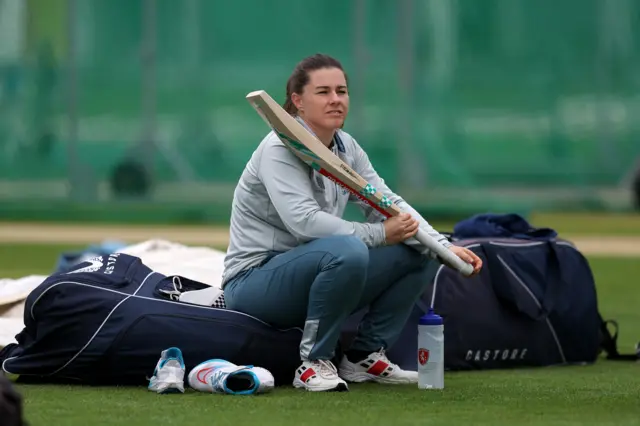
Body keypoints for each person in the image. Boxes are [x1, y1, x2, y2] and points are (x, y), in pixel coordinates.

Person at [222, 53, 482, 392]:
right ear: (298, 101)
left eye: (341, 91)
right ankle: (313, 363)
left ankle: (363, 357)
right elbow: (304, 223)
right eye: (324, 92)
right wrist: (377, 234)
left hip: (315, 271)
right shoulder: (277, 148)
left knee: (418, 247)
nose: (335, 100)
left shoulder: (347, 147)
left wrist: (444, 247)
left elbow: (392, 207)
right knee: (349, 249)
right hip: (253, 284)